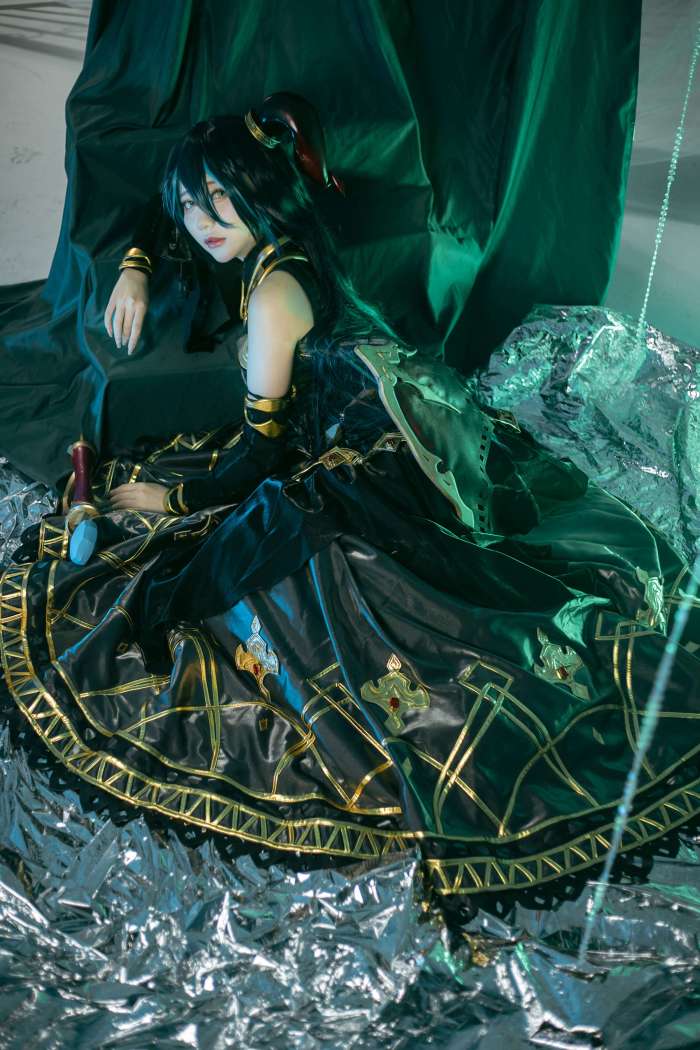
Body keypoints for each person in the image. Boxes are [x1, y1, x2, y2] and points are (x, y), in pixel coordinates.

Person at [1, 92, 699, 918]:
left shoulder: (272, 294)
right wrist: (136, 263)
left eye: (220, 197)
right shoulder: (284, 244)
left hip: (364, 456)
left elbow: (260, 455)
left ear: (258, 189)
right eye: (190, 205)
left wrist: (173, 496)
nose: (203, 222)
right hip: (389, 414)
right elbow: (178, 211)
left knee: (241, 583)